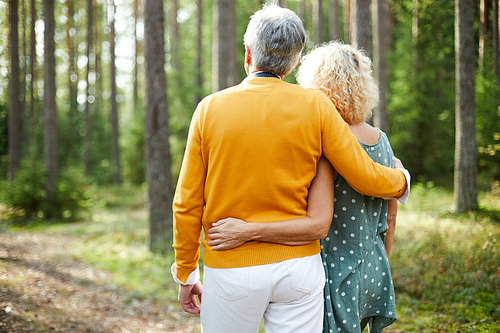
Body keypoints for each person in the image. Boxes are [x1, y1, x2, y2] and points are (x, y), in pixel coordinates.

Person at [171, 5, 410, 333]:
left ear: (248, 52)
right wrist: (402, 178)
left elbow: (186, 204)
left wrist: (186, 272)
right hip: (299, 271)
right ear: (296, 59)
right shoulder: (317, 107)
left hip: (230, 270)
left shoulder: (209, 109)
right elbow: (365, 175)